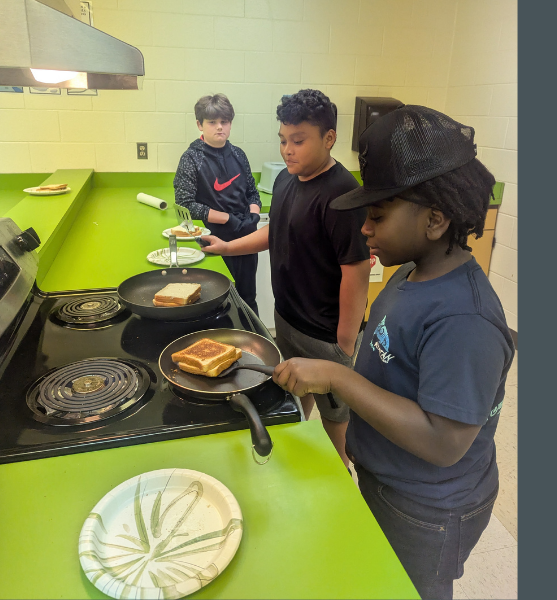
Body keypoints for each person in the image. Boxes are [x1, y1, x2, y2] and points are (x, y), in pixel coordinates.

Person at [272, 105, 515, 600]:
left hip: (429, 510)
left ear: (435, 219)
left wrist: (338, 378)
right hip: (389, 482)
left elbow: (444, 442)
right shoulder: (411, 272)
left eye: (378, 217)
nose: (365, 229)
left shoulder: (463, 320)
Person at [201, 89, 371, 467]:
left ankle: (343, 485)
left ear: (329, 139)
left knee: (336, 423)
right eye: (283, 140)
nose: (287, 150)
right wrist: (226, 248)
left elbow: (356, 273)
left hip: (327, 335)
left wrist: (343, 346)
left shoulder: (344, 194)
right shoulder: (285, 181)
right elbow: (273, 231)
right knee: (295, 400)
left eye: (298, 141)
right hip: (288, 321)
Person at [174, 93, 261, 314]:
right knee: (220, 302)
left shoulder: (239, 155)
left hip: (246, 237)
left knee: (248, 298)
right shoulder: (191, 158)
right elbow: (185, 204)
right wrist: (227, 219)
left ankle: (254, 343)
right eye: (212, 122)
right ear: (199, 125)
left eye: (225, 121)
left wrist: (254, 214)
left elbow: (252, 191)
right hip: (214, 240)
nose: (219, 127)